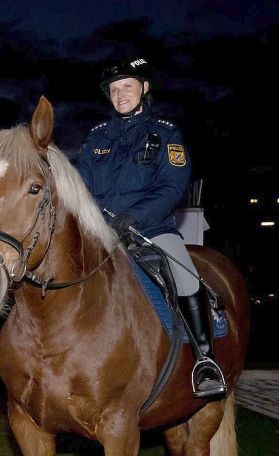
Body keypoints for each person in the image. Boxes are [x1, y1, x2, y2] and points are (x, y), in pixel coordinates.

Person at [76, 57, 227, 399]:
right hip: (100, 232)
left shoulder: (165, 133)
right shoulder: (97, 138)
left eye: (127, 86)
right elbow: (78, 183)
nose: (120, 94)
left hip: (150, 230)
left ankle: (205, 360)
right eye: (114, 90)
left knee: (186, 275)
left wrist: (134, 218)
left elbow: (173, 187)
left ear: (144, 89)